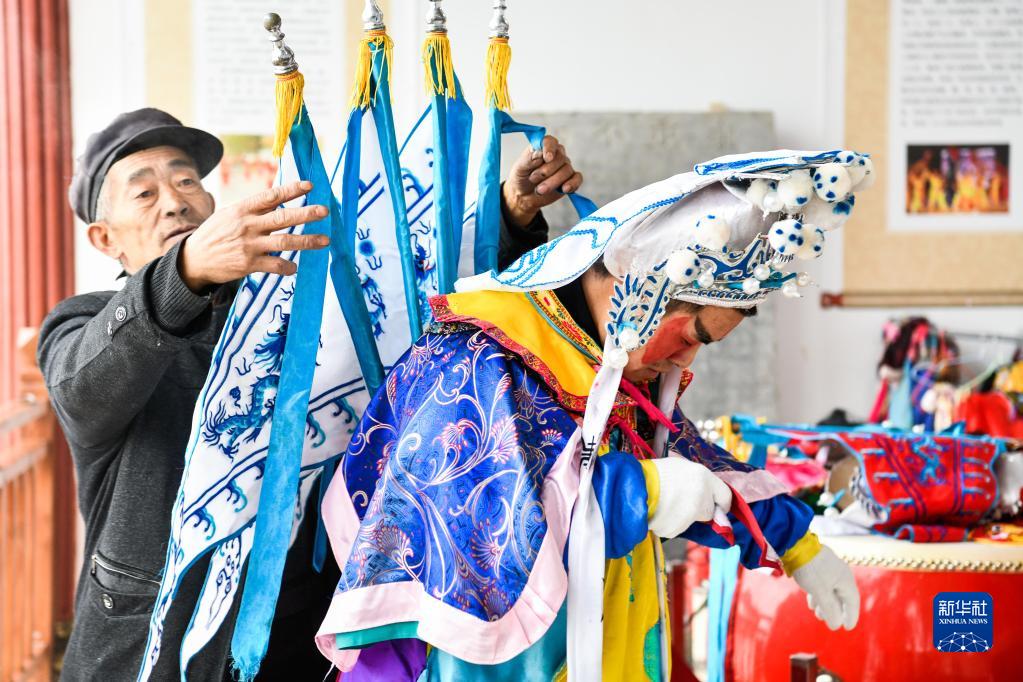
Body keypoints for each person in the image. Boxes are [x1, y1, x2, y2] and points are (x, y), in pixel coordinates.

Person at [37, 107, 581, 681]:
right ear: (104, 238)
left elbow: (410, 303)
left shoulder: (283, 309)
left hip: (295, 636)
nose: (174, 202)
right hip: (150, 645)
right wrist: (185, 271)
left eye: (186, 181)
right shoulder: (82, 323)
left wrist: (508, 218)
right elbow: (85, 386)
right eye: (144, 194)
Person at [314, 150, 872, 680]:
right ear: (643, 292)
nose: (686, 360)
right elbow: (489, 520)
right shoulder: (478, 358)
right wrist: (643, 492)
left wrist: (798, 545)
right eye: (690, 335)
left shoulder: (607, 366)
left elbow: (699, 474)